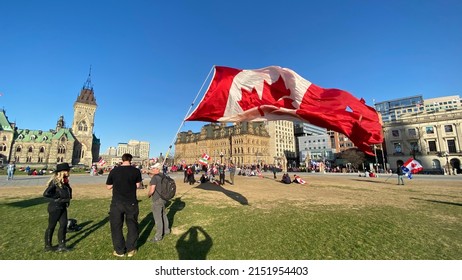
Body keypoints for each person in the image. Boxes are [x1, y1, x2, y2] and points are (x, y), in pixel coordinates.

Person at [106, 153, 142, 257]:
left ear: (122, 160)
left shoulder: (114, 171)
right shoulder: (136, 171)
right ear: (130, 160)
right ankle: (131, 249)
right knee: (132, 225)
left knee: (116, 226)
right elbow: (138, 185)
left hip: (117, 202)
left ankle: (119, 250)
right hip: (131, 201)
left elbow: (108, 186)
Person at [43, 162, 72, 252]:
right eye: (67, 170)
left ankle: (62, 245)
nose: (69, 172)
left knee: (63, 225)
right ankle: (48, 246)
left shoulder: (65, 181)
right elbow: (46, 193)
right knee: (52, 226)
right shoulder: (55, 182)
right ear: (62, 171)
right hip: (55, 206)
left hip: (63, 206)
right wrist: (57, 197)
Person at [147, 162, 170, 243]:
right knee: (163, 215)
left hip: (157, 199)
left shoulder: (155, 178)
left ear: (157, 169)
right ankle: (166, 230)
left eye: (153, 168)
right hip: (164, 198)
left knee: (158, 218)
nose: (152, 169)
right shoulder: (164, 176)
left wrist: (148, 195)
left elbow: (152, 190)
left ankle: (158, 236)